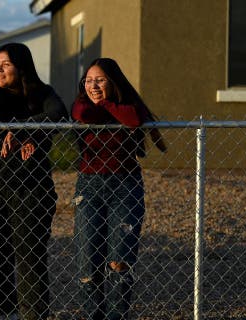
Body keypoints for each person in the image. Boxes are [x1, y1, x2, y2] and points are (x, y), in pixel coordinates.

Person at [0, 42, 67, 320]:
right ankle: (5, 313)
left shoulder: (43, 93)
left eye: (6, 64)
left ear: (21, 67)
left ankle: (33, 315)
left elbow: (58, 113)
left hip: (32, 188)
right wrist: (11, 128)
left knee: (29, 255)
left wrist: (23, 131)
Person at [71, 57, 160, 319]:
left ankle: (116, 316)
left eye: (99, 80)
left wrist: (107, 105)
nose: (92, 85)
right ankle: (93, 315)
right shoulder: (82, 103)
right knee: (88, 261)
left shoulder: (129, 104)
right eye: (88, 80)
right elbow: (83, 114)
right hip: (89, 187)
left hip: (125, 186)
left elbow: (133, 119)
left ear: (113, 82)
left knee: (119, 260)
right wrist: (107, 110)